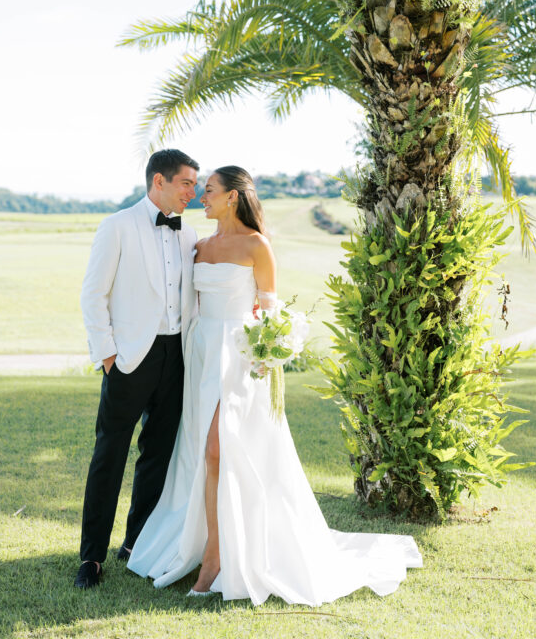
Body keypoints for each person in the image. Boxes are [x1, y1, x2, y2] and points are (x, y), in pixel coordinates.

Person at [128, 165, 422, 605]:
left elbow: (270, 312)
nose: (202, 197)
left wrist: (267, 354)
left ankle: (215, 558)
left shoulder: (257, 245)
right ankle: (208, 543)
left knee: (217, 449)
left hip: (242, 359)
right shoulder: (199, 246)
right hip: (202, 356)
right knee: (203, 453)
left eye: (209, 190)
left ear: (232, 196)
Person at [73, 148, 200, 589]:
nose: (192, 191)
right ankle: (91, 557)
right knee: (109, 454)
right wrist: (108, 355)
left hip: (175, 357)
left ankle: (137, 544)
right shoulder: (117, 226)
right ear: (159, 181)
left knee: (158, 456)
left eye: (195, 184)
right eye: (186, 183)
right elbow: (93, 295)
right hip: (128, 360)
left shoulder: (189, 233)